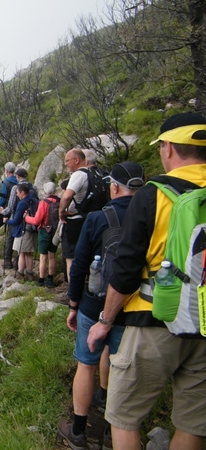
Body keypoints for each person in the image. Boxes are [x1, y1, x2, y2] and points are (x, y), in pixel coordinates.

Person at [88, 112, 206, 450]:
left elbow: (125, 270)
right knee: (193, 423)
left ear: (168, 148)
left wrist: (105, 321)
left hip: (155, 317)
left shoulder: (154, 194)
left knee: (123, 415)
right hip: (205, 321)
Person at [58, 161, 145, 450]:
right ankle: (112, 432)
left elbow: (80, 263)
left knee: (86, 363)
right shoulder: (152, 214)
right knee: (119, 363)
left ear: (114, 187)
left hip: (94, 302)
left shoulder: (96, 218)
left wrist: (73, 304)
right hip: (133, 305)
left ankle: (79, 430)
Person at [59, 149, 89, 279]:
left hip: (75, 220)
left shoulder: (79, 175)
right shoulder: (93, 173)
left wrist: (61, 212)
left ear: (77, 160)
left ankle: (73, 294)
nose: (66, 164)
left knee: (70, 258)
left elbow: (67, 197)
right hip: (88, 218)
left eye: (67, 160)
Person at [24, 181, 59, 287]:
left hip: (45, 231)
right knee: (52, 256)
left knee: (43, 256)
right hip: (56, 231)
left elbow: (36, 220)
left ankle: (41, 280)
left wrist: (26, 218)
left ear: (45, 192)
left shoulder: (44, 203)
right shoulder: (60, 201)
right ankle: (50, 279)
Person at [5, 183, 36, 280]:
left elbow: (16, 220)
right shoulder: (35, 201)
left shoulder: (22, 203)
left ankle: (20, 273)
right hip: (32, 229)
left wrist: (7, 221)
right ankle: (29, 273)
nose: (17, 194)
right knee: (28, 253)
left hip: (23, 230)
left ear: (23, 192)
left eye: (17, 192)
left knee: (22, 252)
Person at [0, 162, 17, 259]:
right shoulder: (17, 182)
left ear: (6, 171)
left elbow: (2, 198)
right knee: (11, 234)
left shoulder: (6, 182)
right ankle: (10, 256)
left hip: (4, 211)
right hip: (15, 211)